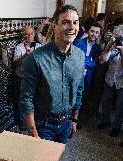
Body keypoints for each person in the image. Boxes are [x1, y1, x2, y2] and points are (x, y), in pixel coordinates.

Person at [20, 4, 85, 144]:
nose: (72, 27)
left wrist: (74, 119)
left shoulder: (80, 56)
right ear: (54, 26)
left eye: (75, 22)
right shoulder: (36, 58)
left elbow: (79, 90)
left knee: (57, 160)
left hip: (66, 122)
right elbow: (26, 98)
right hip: (43, 125)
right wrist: (33, 133)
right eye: (65, 22)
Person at [97, 25, 123, 137]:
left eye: (120, 37)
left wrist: (122, 52)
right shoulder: (112, 44)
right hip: (110, 78)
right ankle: (105, 121)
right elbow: (102, 60)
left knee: (120, 105)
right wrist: (108, 46)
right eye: (116, 36)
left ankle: (117, 126)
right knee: (106, 101)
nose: (118, 39)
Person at [13, 27, 41, 131]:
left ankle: (34, 121)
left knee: (35, 100)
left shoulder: (39, 47)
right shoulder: (19, 47)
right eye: (27, 34)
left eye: (31, 34)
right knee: (21, 100)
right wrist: (25, 56)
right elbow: (15, 63)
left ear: (34, 35)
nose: (29, 36)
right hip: (21, 78)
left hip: (34, 79)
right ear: (23, 36)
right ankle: (22, 122)